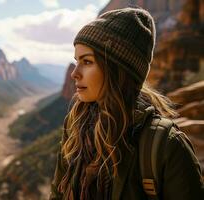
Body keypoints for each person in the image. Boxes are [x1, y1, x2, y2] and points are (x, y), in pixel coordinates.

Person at [49, 7, 204, 200]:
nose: (75, 73)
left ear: (116, 69)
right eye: (76, 60)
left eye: (87, 61)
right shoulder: (74, 126)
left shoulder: (166, 145)